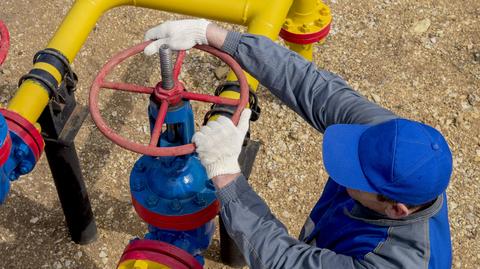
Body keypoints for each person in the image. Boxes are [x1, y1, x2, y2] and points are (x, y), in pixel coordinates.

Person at [144, 19, 453, 269]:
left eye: (356, 176)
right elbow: (311, 87)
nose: (342, 172)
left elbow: (284, 259)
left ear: (398, 210)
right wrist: (214, 35)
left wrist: (226, 175)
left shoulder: (397, 261)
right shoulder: (391, 143)